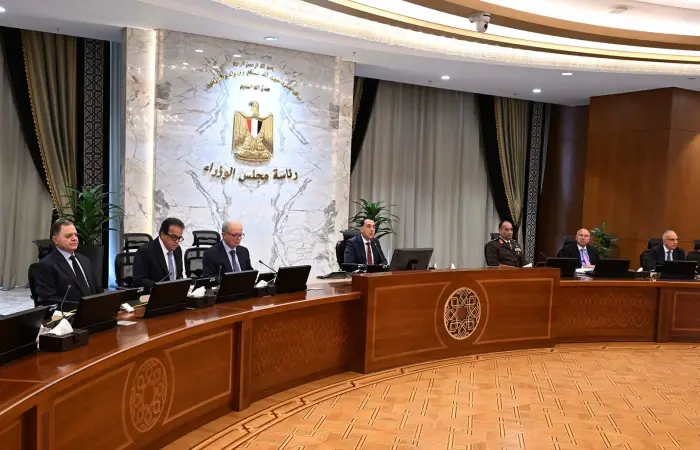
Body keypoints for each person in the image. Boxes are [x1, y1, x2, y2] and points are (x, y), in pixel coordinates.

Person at [34, 219, 101, 311]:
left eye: (76, 235)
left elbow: (97, 289)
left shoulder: (85, 260)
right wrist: (82, 307)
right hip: (69, 314)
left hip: (94, 311)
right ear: (56, 240)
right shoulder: (46, 265)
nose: (74, 238)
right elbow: (48, 299)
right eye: (69, 236)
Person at [133, 217, 186, 290]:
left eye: (179, 238)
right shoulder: (145, 251)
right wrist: (160, 288)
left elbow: (179, 275)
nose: (177, 242)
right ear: (163, 234)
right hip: (152, 295)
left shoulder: (177, 249)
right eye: (174, 237)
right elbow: (139, 281)